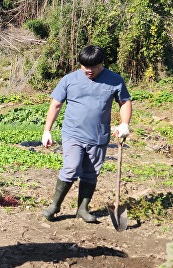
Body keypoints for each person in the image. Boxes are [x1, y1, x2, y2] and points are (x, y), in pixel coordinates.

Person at [41, 45, 132, 223]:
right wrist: (47, 131)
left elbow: (124, 102)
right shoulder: (69, 79)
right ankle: (55, 205)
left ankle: (82, 209)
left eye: (94, 67)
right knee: (71, 167)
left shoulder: (114, 80)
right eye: (85, 67)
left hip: (98, 136)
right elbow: (56, 104)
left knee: (91, 173)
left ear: (102, 64)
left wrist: (124, 124)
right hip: (73, 133)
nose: (89, 71)